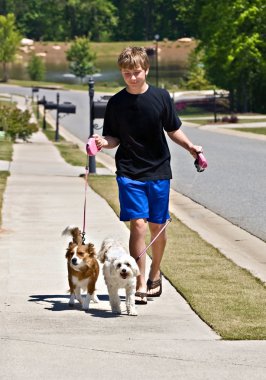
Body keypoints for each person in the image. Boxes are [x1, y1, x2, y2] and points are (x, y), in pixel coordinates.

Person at [94, 46, 203, 305]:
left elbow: (173, 128)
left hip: (158, 170)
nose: (132, 77)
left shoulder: (161, 97)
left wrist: (191, 148)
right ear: (121, 72)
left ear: (146, 70)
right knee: (139, 225)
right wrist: (102, 142)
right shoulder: (117, 102)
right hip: (129, 171)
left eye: (136, 72)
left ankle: (156, 273)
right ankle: (141, 281)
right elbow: (114, 138)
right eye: (126, 73)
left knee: (157, 225)